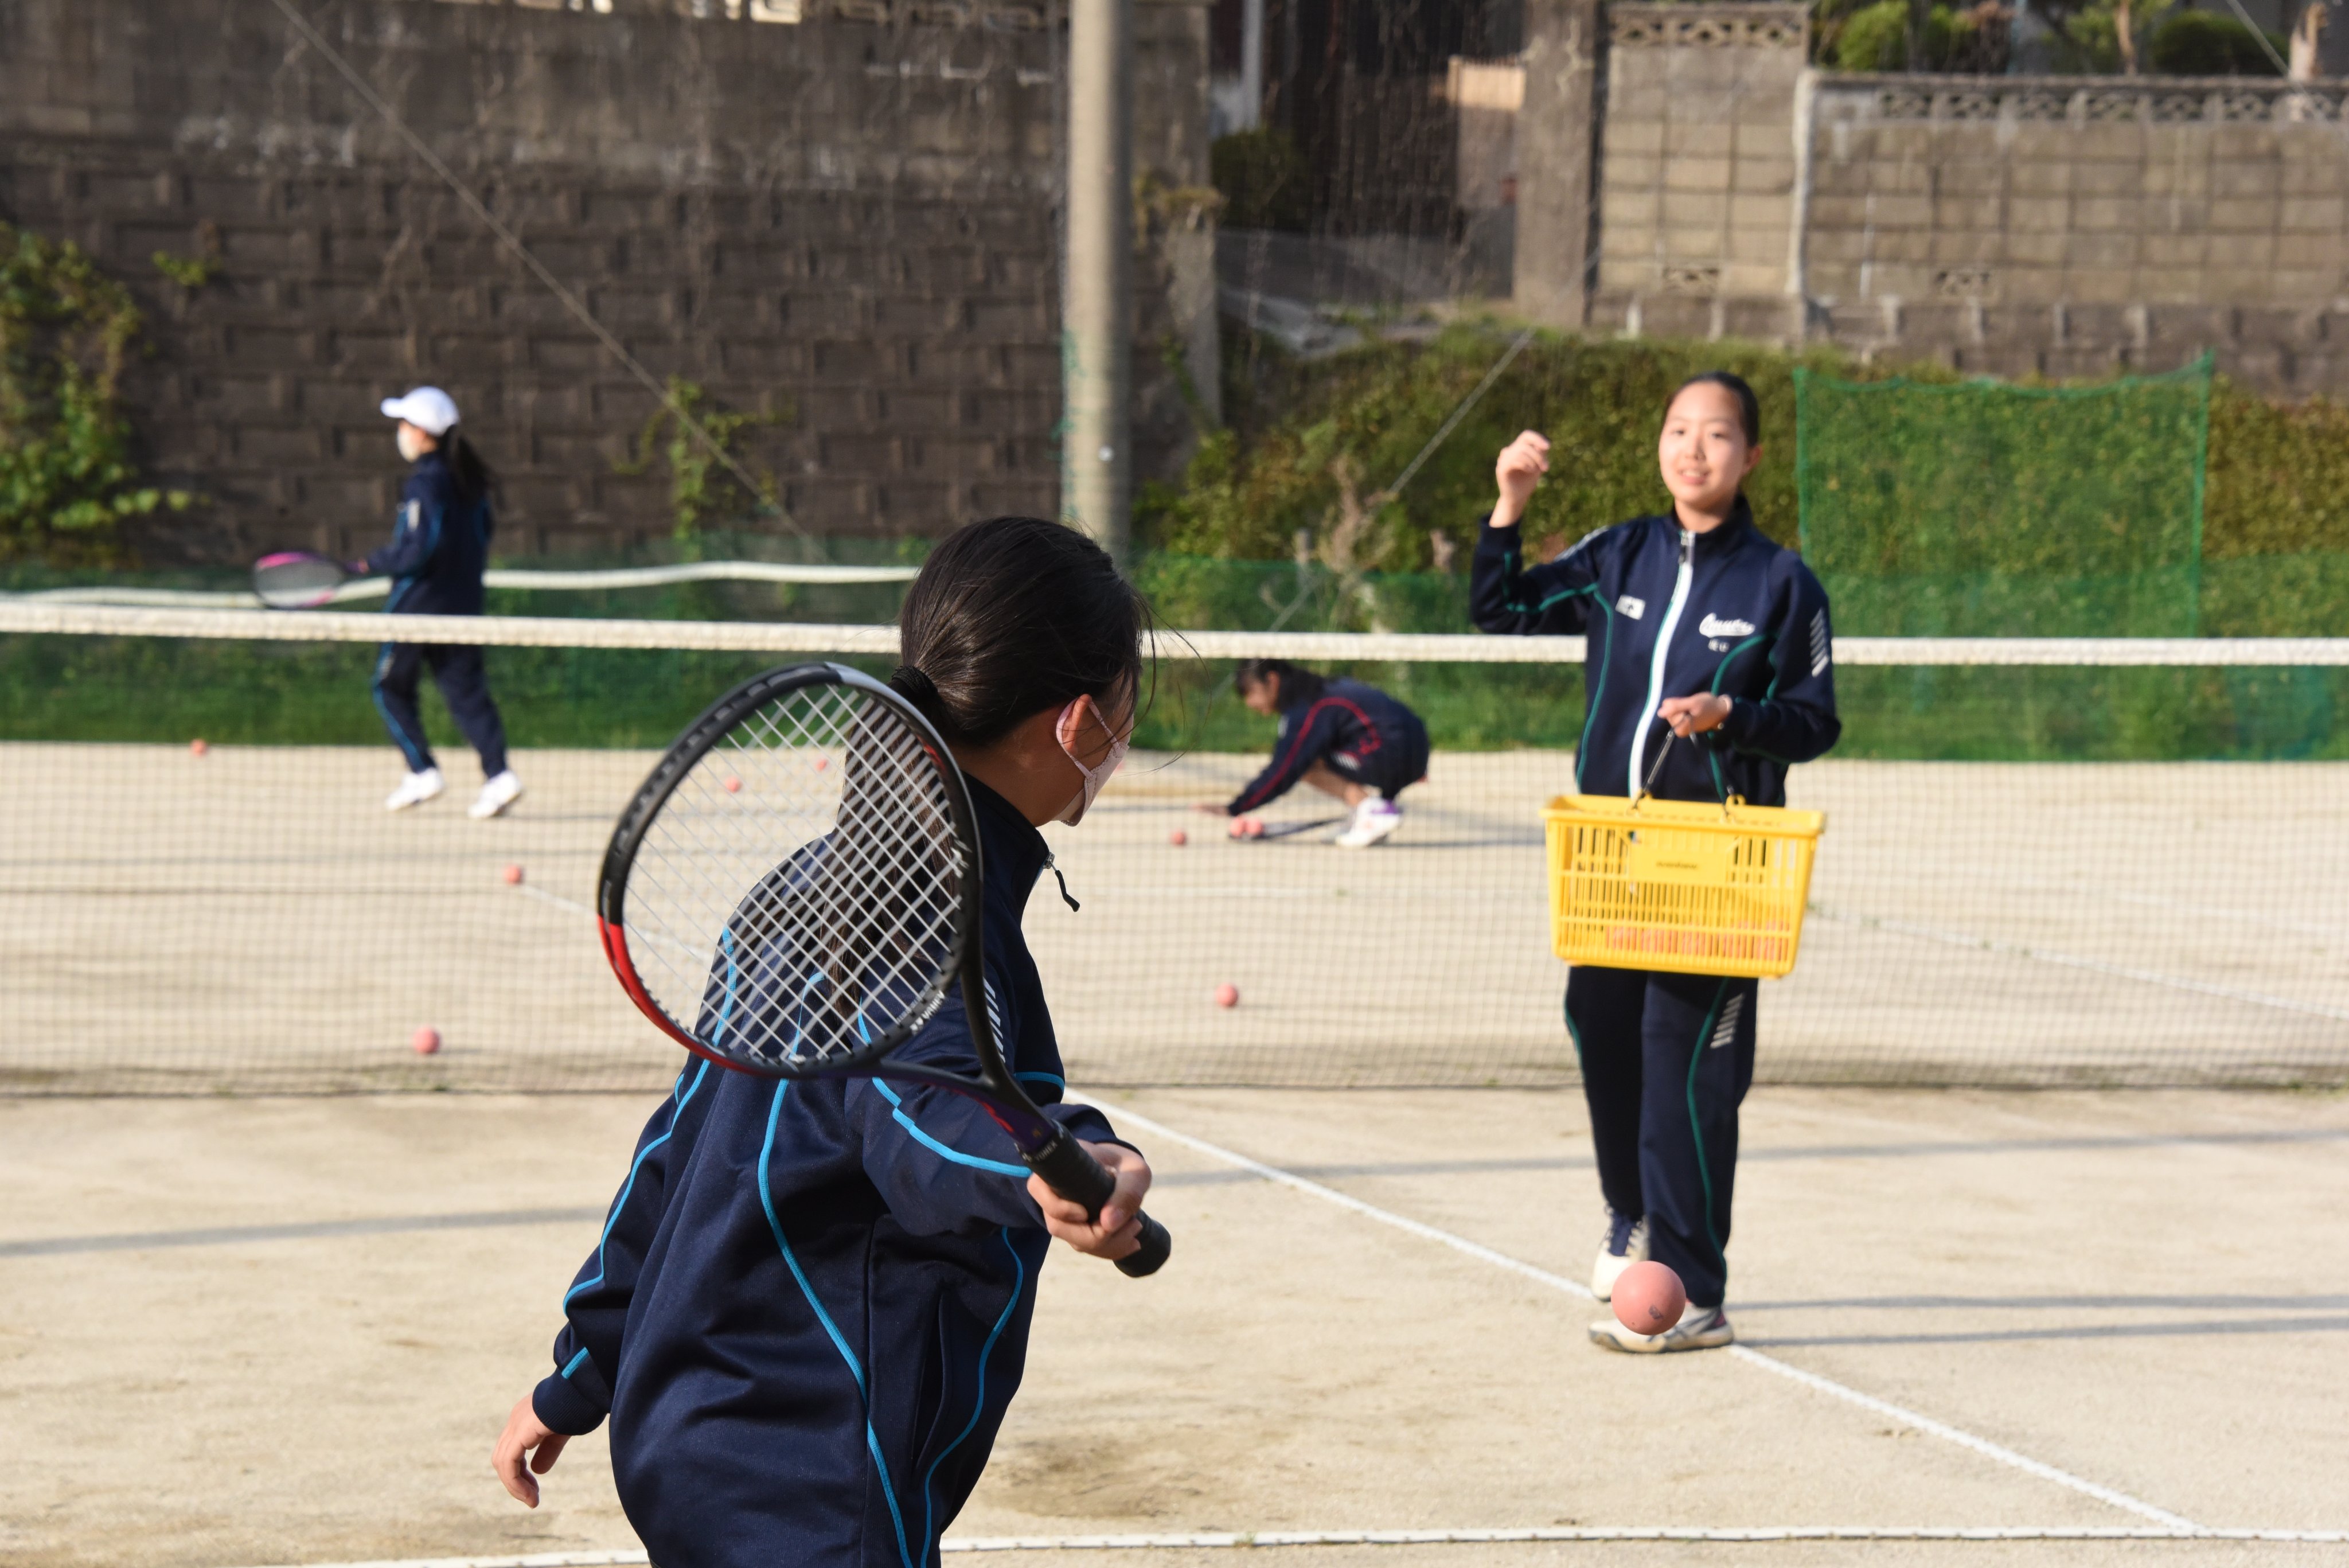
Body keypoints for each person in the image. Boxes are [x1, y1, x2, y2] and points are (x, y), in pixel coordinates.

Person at [490, 517, 1159, 1567]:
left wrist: (582, 1369)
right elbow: (923, 1104)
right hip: (802, 1466)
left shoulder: (803, 883)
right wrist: (1059, 1158)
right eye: (1130, 701)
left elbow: (674, 1147)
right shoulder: (925, 908)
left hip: (694, 1426)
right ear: (1078, 722)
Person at [1469, 373, 1839, 1354]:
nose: (1695, 448)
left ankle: (1694, 1282)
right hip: (1608, 854)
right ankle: (1630, 1211)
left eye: (1718, 434)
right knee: (1597, 1020)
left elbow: (1816, 718)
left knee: (1689, 1073)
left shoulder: (1781, 581)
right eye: (1678, 429)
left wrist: (1735, 715)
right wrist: (1509, 505)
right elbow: (1499, 607)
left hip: (1719, 867)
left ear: (1750, 456)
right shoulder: (1617, 553)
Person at [352, 386, 522, 820]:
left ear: (425, 433)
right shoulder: (471, 484)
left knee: (389, 687)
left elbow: (419, 548)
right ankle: (499, 776)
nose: (401, 432)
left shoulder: (425, 483)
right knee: (466, 692)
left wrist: (372, 562)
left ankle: (422, 770)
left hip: (417, 606)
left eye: (406, 424)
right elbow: (480, 538)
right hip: (463, 603)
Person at [1199, 659, 1431, 848]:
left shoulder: (1308, 708)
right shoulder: (1320, 692)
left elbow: (1284, 769)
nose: (1249, 703)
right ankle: (1368, 815)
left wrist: (1236, 807)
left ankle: (1372, 811)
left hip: (1394, 754)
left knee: (1304, 764)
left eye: (1249, 693)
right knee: (1312, 755)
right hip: (1412, 752)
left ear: (1272, 681)